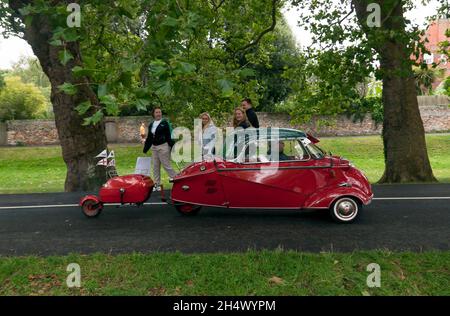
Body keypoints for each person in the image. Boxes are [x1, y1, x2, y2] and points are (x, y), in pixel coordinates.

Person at [143, 107, 177, 191]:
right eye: (157, 112)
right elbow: (150, 138)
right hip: (154, 147)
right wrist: (145, 148)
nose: (158, 114)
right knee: (155, 166)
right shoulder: (151, 124)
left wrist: (172, 146)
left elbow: (169, 135)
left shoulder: (165, 123)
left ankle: (177, 180)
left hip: (163, 146)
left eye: (160, 112)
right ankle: (157, 184)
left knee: (166, 166)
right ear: (153, 114)